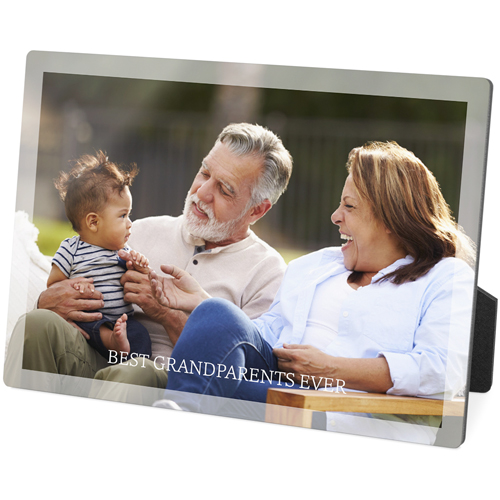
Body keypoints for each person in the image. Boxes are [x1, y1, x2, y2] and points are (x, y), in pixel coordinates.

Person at [149, 141, 475, 444]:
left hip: (344, 419)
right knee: (216, 315)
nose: (335, 216)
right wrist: (204, 305)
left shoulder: (445, 277)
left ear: (390, 218)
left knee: (220, 392)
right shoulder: (315, 266)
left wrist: (330, 369)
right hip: (277, 386)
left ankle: (178, 422)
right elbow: (264, 335)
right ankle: (181, 416)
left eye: (349, 206)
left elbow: (444, 371)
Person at [6, 123, 293, 400]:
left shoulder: (268, 273)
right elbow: (71, 273)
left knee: (137, 374)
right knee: (38, 323)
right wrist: (50, 300)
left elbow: (241, 379)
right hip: (96, 357)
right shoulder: (138, 231)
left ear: (257, 209)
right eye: (204, 173)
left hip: (169, 385)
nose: (202, 192)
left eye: (225, 189)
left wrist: (163, 312)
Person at [48, 151, 151, 360]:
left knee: (140, 334)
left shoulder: (122, 251)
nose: (129, 223)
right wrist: (77, 284)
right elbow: (53, 285)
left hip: (123, 321)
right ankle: (112, 341)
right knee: (87, 322)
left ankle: (136, 371)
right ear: (93, 222)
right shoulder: (71, 249)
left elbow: (137, 278)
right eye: (123, 215)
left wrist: (139, 265)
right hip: (90, 320)